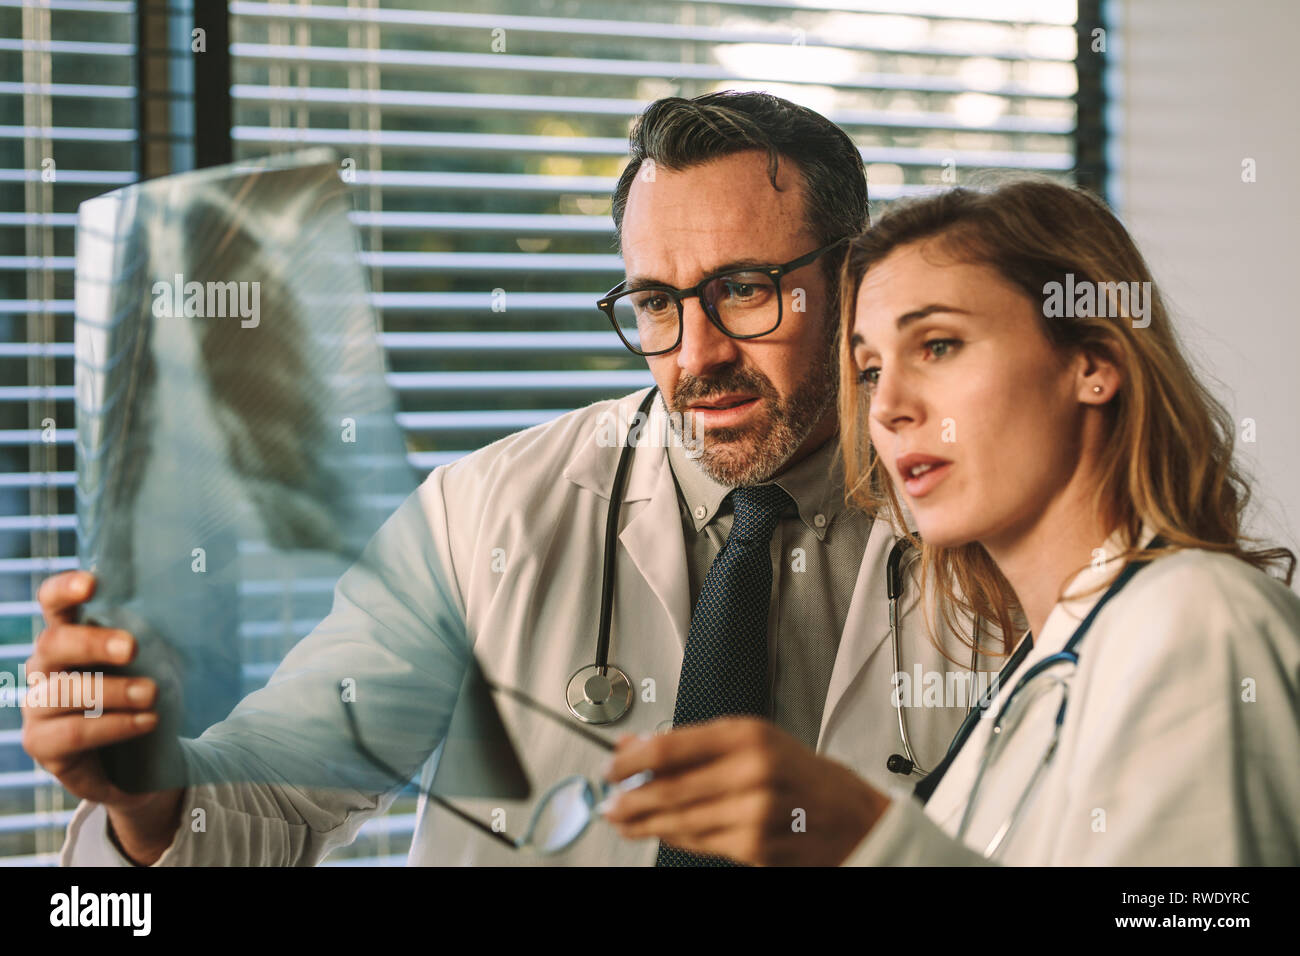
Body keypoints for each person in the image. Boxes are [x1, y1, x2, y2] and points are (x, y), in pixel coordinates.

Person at [24, 91, 990, 867]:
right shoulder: (483, 514)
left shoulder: (991, 518)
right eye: (656, 302)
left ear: (855, 277)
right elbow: (272, 798)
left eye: (744, 290)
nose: (697, 355)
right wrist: (146, 797)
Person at [603, 178, 1300, 865]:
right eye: (871, 369)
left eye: (937, 346)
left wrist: (871, 840)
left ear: (1093, 363)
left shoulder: (1197, 622)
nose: (888, 407)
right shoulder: (1041, 667)